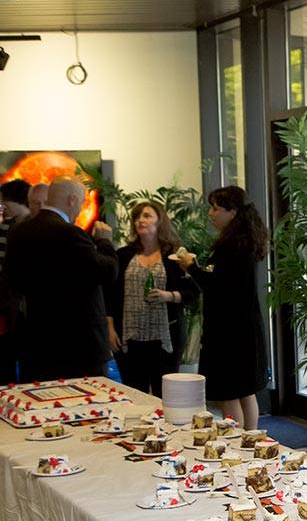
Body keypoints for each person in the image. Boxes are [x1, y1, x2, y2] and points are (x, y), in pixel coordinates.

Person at [5, 176, 118, 381]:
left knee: (42, 407)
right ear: (72, 199)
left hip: (37, 343)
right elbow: (107, 272)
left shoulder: (18, 232)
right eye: (83, 202)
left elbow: (13, 280)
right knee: (86, 408)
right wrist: (104, 242)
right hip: (79, 347)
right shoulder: (71, 234)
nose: (81, 208)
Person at [176, 186, 269, 429]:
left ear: (233, 212)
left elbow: (218, 286)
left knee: (230, 393)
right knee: (246, 391)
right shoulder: (247, 241)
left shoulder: (231, 246)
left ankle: (237, 444)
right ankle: (251, 440)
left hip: (229, 330)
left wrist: (191, 268)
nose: (210, 213)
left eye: (216, 208)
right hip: (244, 326)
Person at [104, 201, 200, 395]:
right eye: (137, 217)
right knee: (134, 393)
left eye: (147, 216)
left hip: (165, 338)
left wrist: (169, 296)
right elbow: (110, 294)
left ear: (160, 221)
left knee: (164, 394)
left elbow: (194, 291)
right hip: (129, 339)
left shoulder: (175, 256)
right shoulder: (123, 255)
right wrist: (110, 327)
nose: (141, 220)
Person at [0, 180, 32, 383]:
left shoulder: (35, 227)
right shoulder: (6, 228)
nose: (3, 206)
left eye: (5, 201)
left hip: (29, 311)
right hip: (9, 311)